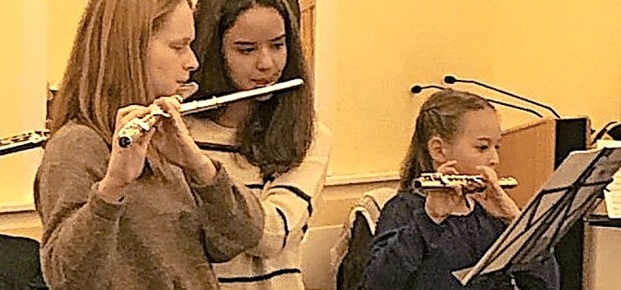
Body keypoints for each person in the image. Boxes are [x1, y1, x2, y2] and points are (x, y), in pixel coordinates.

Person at [33, 0, 264, 289]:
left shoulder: (162, 136)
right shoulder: (76, 146)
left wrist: (199, 166)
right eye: (178, 46)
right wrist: (113, 187)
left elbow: (243, 235)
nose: (192, 62)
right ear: (131, 49)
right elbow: (69, 278)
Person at [186, 0, 332, 289]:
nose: (267, 63)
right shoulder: (182, 132)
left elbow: (272, 233)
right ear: (214, 51)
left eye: (277, 45)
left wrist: (199, 168)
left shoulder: (309, 134)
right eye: (246, 49)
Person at [361, 89, 560, 289]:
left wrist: (519, 225)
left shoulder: (489, 214)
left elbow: (546, 286)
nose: (494, 160)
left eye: (496, 147)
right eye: (482, 147)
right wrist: (430, 219)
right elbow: (376, 284)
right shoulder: (404, 209)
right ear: (438, 150)